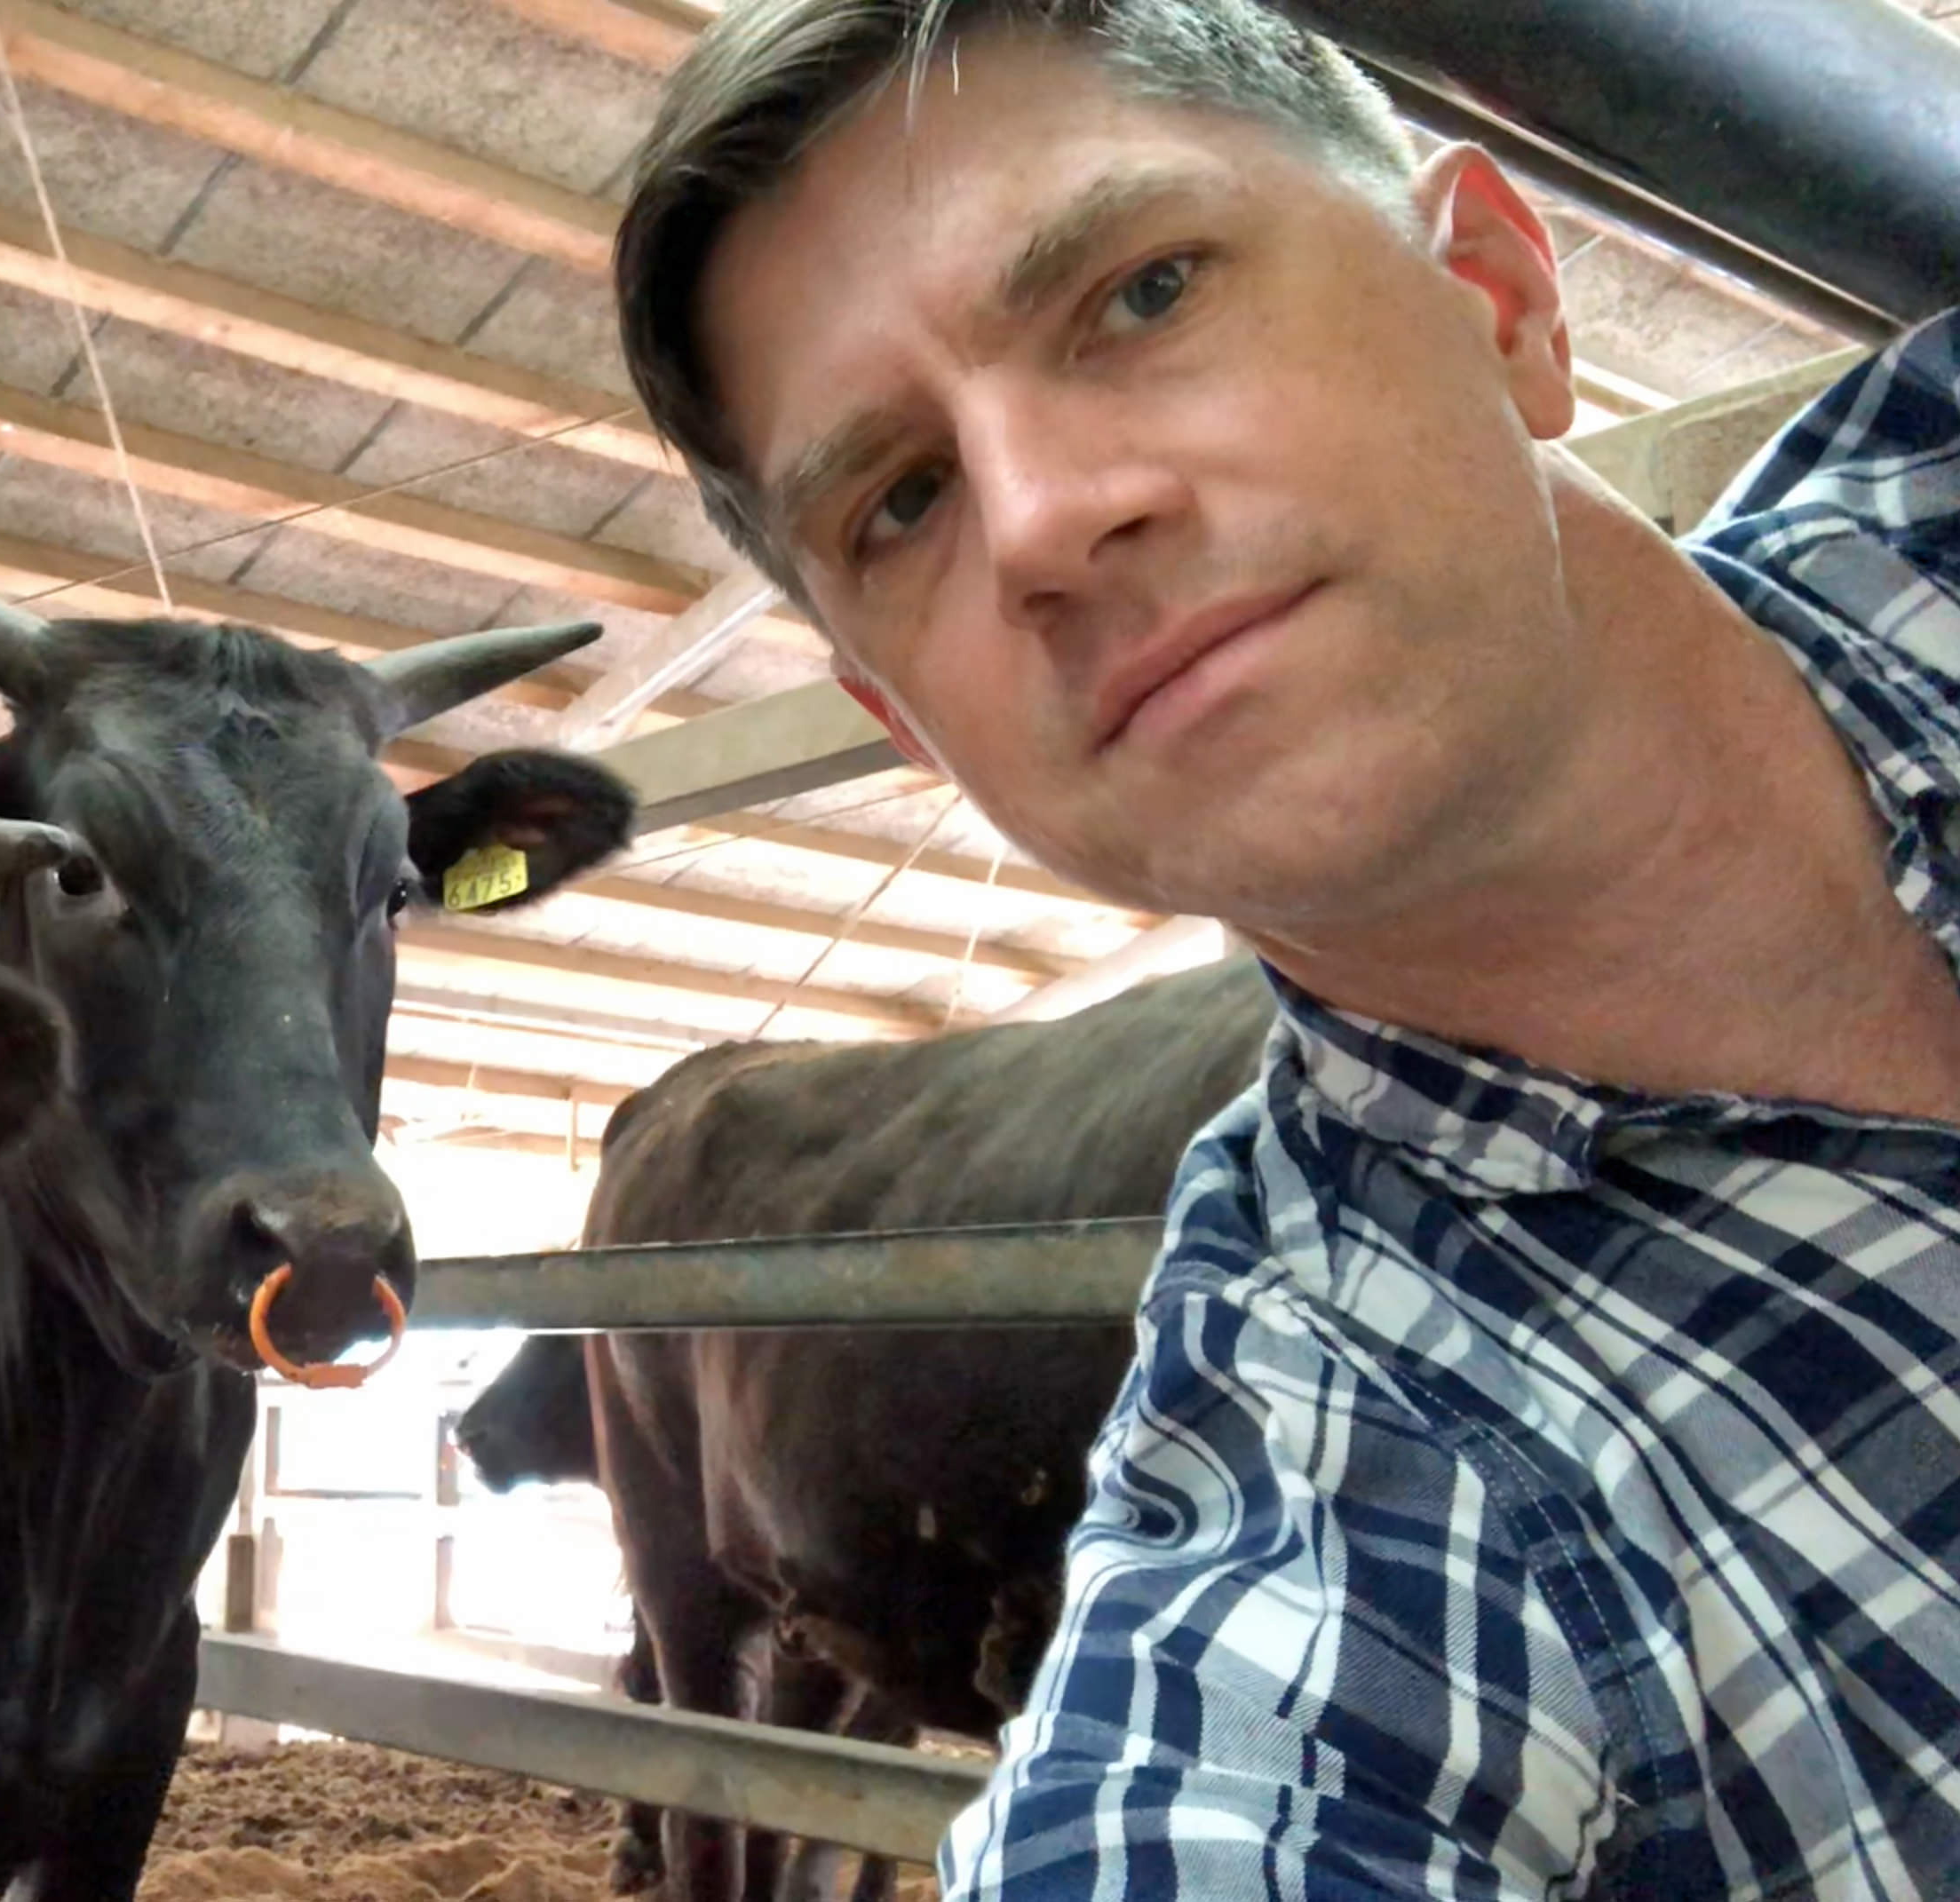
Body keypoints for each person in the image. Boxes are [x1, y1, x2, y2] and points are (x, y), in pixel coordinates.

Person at [611, 1, 1960, 1894]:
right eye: (898, 498)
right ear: (915, 726)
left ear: (1494, 294)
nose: (1045, 522)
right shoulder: (1324, 1531)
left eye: (1142, 291)